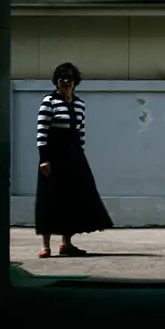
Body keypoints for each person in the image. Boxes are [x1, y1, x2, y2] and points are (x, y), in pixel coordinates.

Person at [34, 62, 113, 258]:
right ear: (56, 81)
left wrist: (80, 156)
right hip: (53, 157)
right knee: (49, 199)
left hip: (74, 157)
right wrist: (44, 159)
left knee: (71, 200)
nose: (66, 82)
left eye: (69, 78)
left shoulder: (80, 104)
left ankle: (66, 244)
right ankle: (45, 245)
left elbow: (81, 132)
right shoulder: (49, 102)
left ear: (75, 81)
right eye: (62, 78)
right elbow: (41, 133)